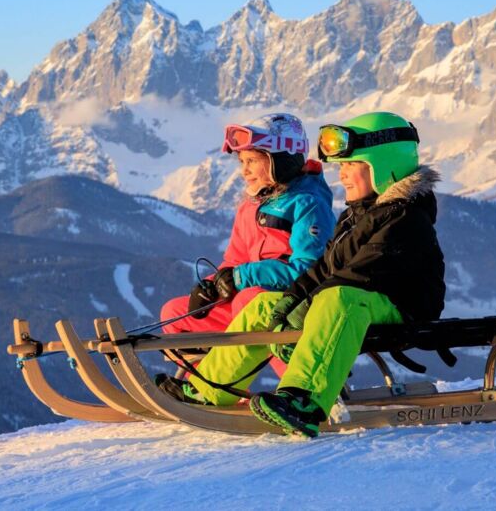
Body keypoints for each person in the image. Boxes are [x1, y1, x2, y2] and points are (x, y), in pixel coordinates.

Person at [158, 112, 446, 438]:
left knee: (337, 298)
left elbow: (357, 275)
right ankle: (207, 389)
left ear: (381, 165)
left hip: (399, 307)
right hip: (355, 299)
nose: (343, 176)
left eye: (351, 165)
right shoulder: (360, 216)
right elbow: (323, 268)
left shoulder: (406, 219)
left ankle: (303, 400)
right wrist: (291, 302)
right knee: (262, 306)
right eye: (341, 167)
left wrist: (303, 309)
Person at [159, 113, 336, 346]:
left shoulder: (307, 204)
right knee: (175, 314)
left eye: (251, 161)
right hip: (247, 302)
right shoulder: (249, 208)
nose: (244, 171)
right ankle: (200, 381)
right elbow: (235, 261)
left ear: (280, 160)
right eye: (242, 162)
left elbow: (310, 268)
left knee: (249, 301)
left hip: (294, 305)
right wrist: (214, 286)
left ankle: (296, 380)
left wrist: (243, 277)